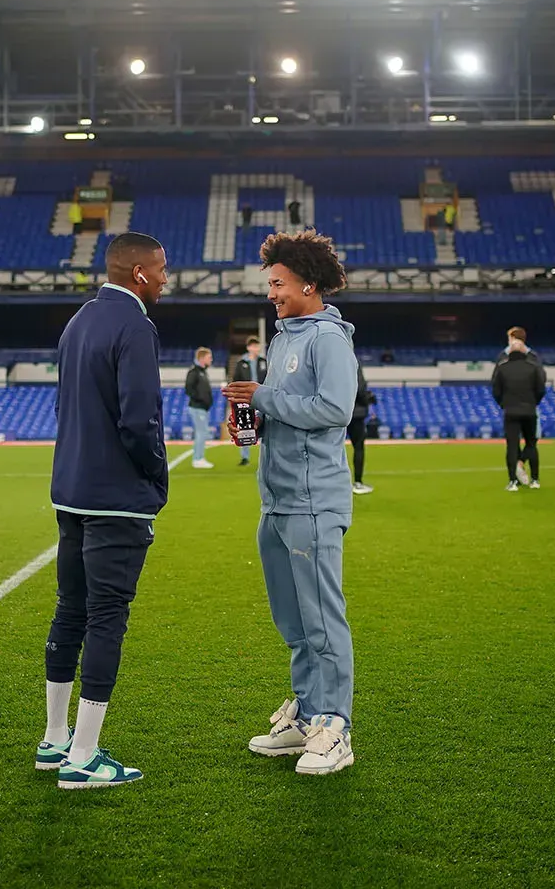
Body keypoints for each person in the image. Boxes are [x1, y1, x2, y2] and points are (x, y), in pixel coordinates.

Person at [223, 229, 359, 776]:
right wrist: (249, 423)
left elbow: (333, 408)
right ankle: (307, 714)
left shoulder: (328, 338)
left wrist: (263, 397)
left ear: (307, 282)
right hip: (276, 501)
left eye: (278, 283)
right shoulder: (283, 338)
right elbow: (283, 408)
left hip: (313, 501)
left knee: (323, 619)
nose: (272, 293)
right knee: (293, 621)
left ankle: (337, 725)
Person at [41, 232, 172, 790]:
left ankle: (53, 741)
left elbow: (60, 404)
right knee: (106, 617)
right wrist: (155, 475)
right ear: (139, 273)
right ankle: (85, 754)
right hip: (114, 497)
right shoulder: (134, 325)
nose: (167, 277)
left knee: (71, 609)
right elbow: (139, 419)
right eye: (162, 269)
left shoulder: (79, 320)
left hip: (69, 490)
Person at [491, 326, 546, 492]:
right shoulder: (533, 361)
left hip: (512, 408)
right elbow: (540, 386)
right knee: (532, 442)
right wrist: (533, 402)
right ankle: (534, 478)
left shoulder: (503, 361)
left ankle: (514, 476)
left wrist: (504, 403)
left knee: (513, 444)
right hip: (529, 407)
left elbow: (496, 388)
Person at [232, 337, 269, 466]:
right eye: (253, 346)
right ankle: (245, 457)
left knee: (265, 424)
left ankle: (265, 457)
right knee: (244, 426)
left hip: (262, 396)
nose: (256, 349)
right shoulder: (241, 363)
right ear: (248, 348)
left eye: (257, 346)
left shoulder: (263, 361)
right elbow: (235, 380)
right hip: (245, 397)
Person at [185, 347, 215, 469]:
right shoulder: (194, 372)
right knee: (201, 433)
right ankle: (198, 459)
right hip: (197, 407)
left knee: (202, 433)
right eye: (209, 357)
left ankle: (199, 457)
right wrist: (200, 399)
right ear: (202, 359)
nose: (211, 360)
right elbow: (189, 388)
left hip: (202, 408)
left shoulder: (202, 372)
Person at [349, 362, 375, 495]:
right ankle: (358, 482)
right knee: (358, 447)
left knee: (331, 448)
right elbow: (360, 389)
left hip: (336, 411)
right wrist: (367, 399)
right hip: (356, 413)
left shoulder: (332, 361)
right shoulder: (354, 363)